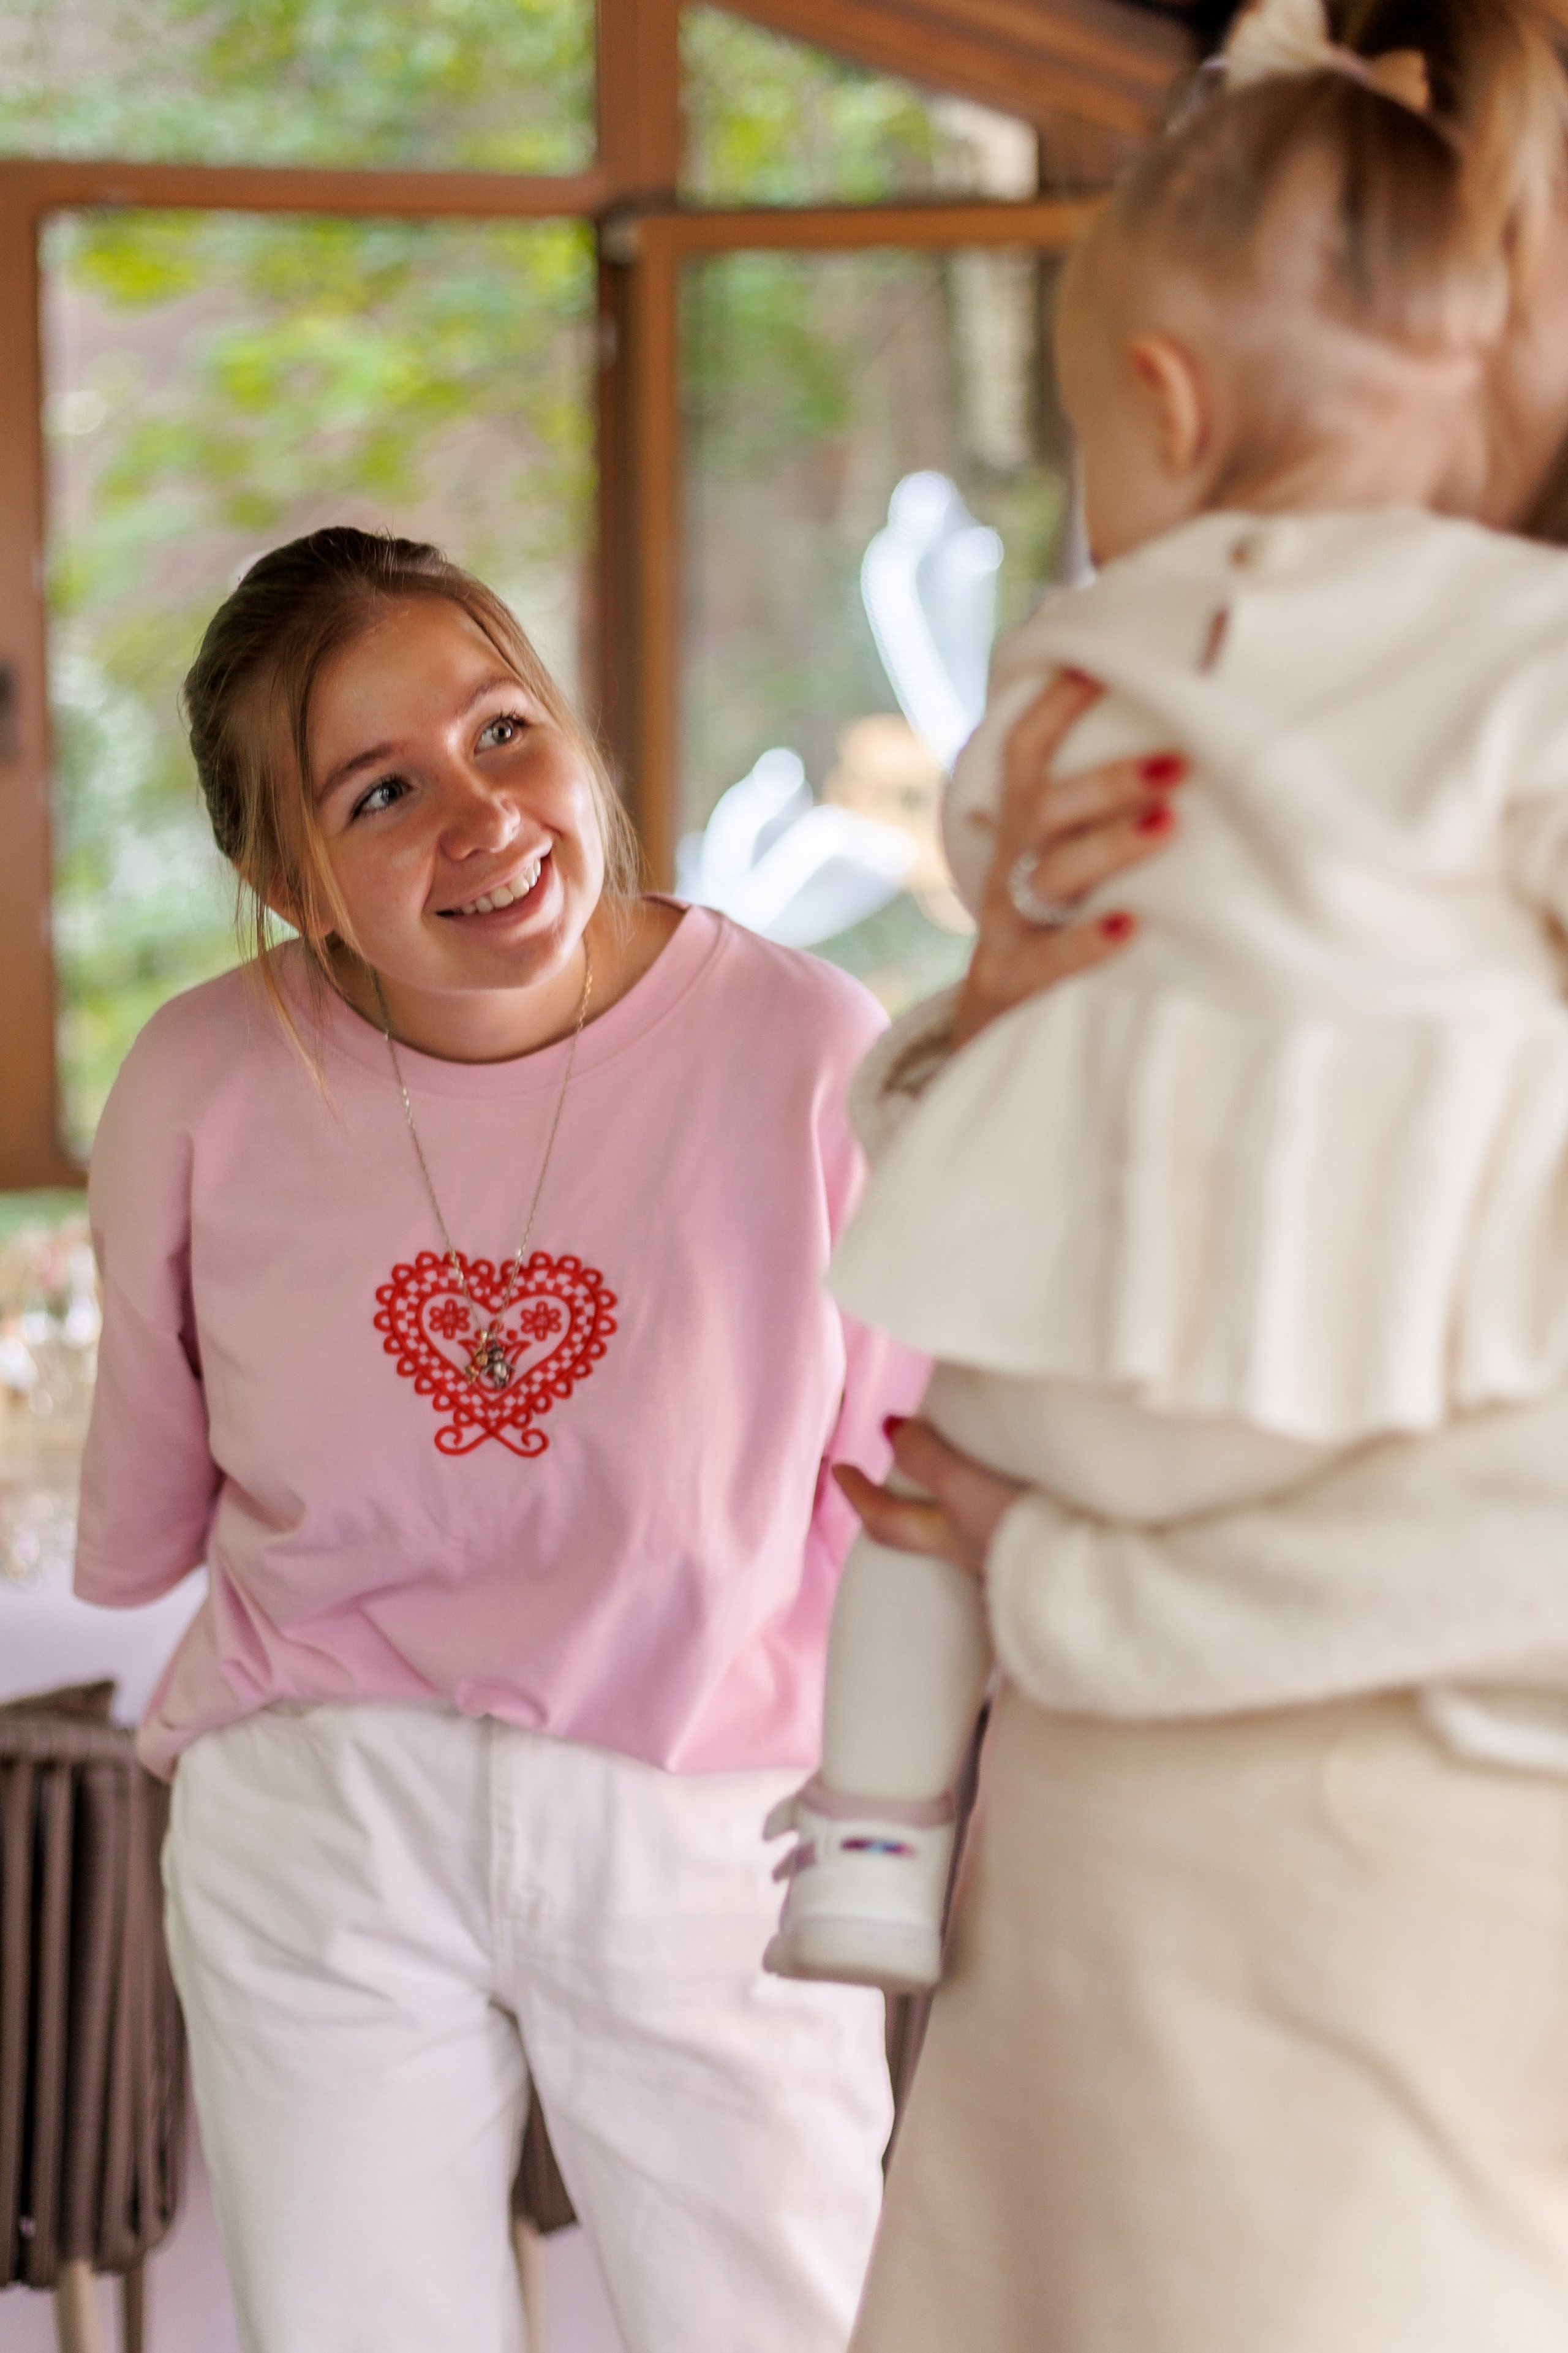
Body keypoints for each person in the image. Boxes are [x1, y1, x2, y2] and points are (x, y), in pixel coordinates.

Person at [763, 0, 1568, 1997]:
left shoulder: (1083, 661)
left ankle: (864, 1827)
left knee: (914, 1505)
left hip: (1286, 1684)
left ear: (1166, 406)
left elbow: (995, 878)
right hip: (1312, 1418)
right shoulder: (1520, 657)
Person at [72, 526, 925, 2353]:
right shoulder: (205, 1080)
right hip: (325, 1812)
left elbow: (906, 1496)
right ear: (279, 874)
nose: (482, 815)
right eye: (381, 789)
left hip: (707, 1819)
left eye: (503, 729)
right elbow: (145, 1521)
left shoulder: (802, 1048)